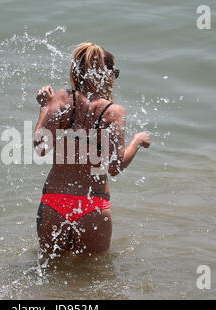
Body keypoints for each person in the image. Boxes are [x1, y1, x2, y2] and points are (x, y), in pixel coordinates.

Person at [34, 42, 150, 258]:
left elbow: (41, 147)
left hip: (54, 202)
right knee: (94, 278)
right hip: (93, 206)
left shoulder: (61, 98)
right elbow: (115, 167)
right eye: (113, 73)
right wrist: (136, 142)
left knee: (49, 275)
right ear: (104, 74)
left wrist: (44, 107)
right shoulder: (113, 112)